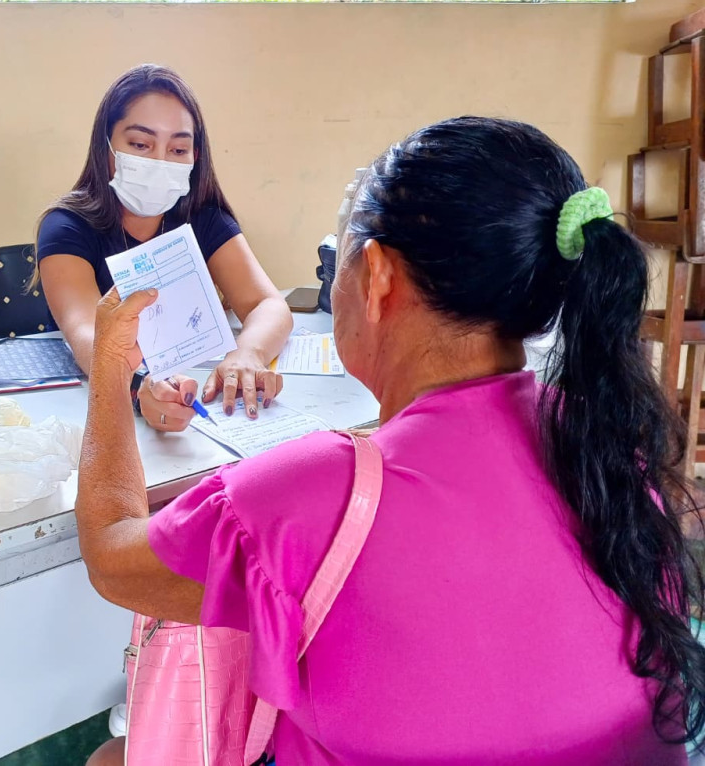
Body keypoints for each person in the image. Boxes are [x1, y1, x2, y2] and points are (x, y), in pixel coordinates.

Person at [77, 117, 705, 764]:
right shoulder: (604, 445)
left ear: (376, 274)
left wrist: (112, 364)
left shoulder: (320, 493)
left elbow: (111, 554)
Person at [34, 65, 292, 433]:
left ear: (195, 156)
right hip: (93, 417)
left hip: (202, 408)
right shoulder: (66, 227)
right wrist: (142, 385)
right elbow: (88, 336)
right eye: (140, 144)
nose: (159, 161)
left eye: (178, 148)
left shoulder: (204, 219)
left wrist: (248, 353)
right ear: (105, 146)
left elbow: (269, 305)